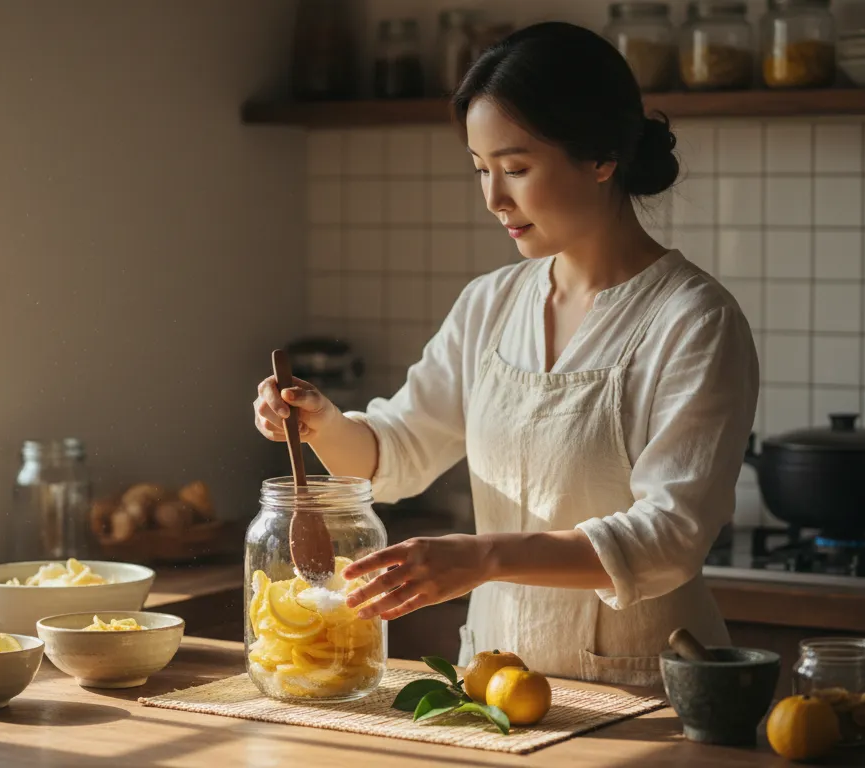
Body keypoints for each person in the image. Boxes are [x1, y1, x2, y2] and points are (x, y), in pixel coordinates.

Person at [252, 21, 758, 686]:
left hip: (644, 689)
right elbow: (399, 451)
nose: (494, 200)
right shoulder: (490, 304)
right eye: (481, 170)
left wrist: (483, 557)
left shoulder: (692, 321)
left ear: (601, 156)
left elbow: (669, 539)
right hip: (490, 685)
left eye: (516, 169)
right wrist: (325, 425)